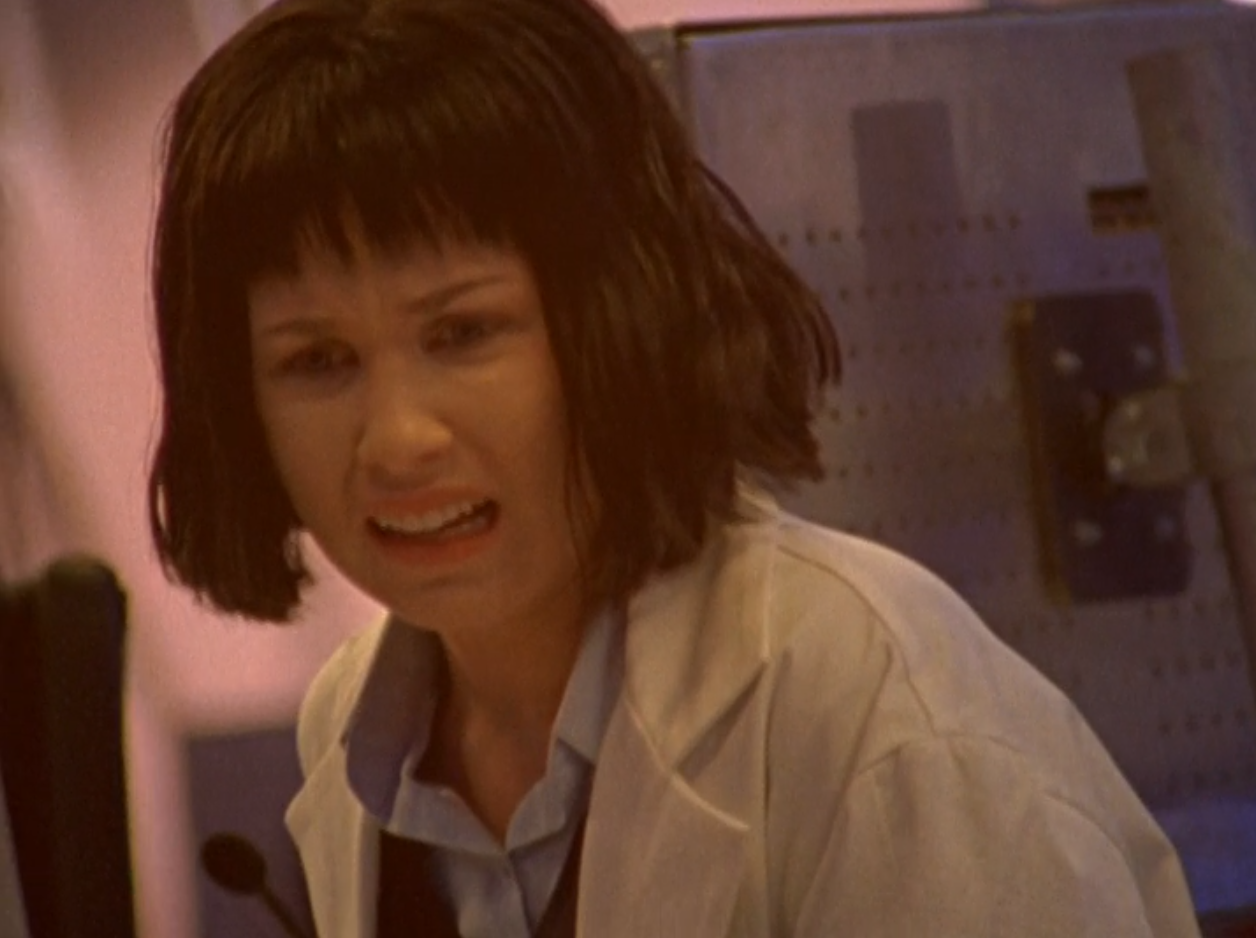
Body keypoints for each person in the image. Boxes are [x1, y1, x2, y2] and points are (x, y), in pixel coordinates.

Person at [146, 0, 1202, 935]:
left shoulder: (884, 724)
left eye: (462, 333)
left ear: (621, 318)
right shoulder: (356, 731)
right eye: (317, 361)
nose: (395, 440)